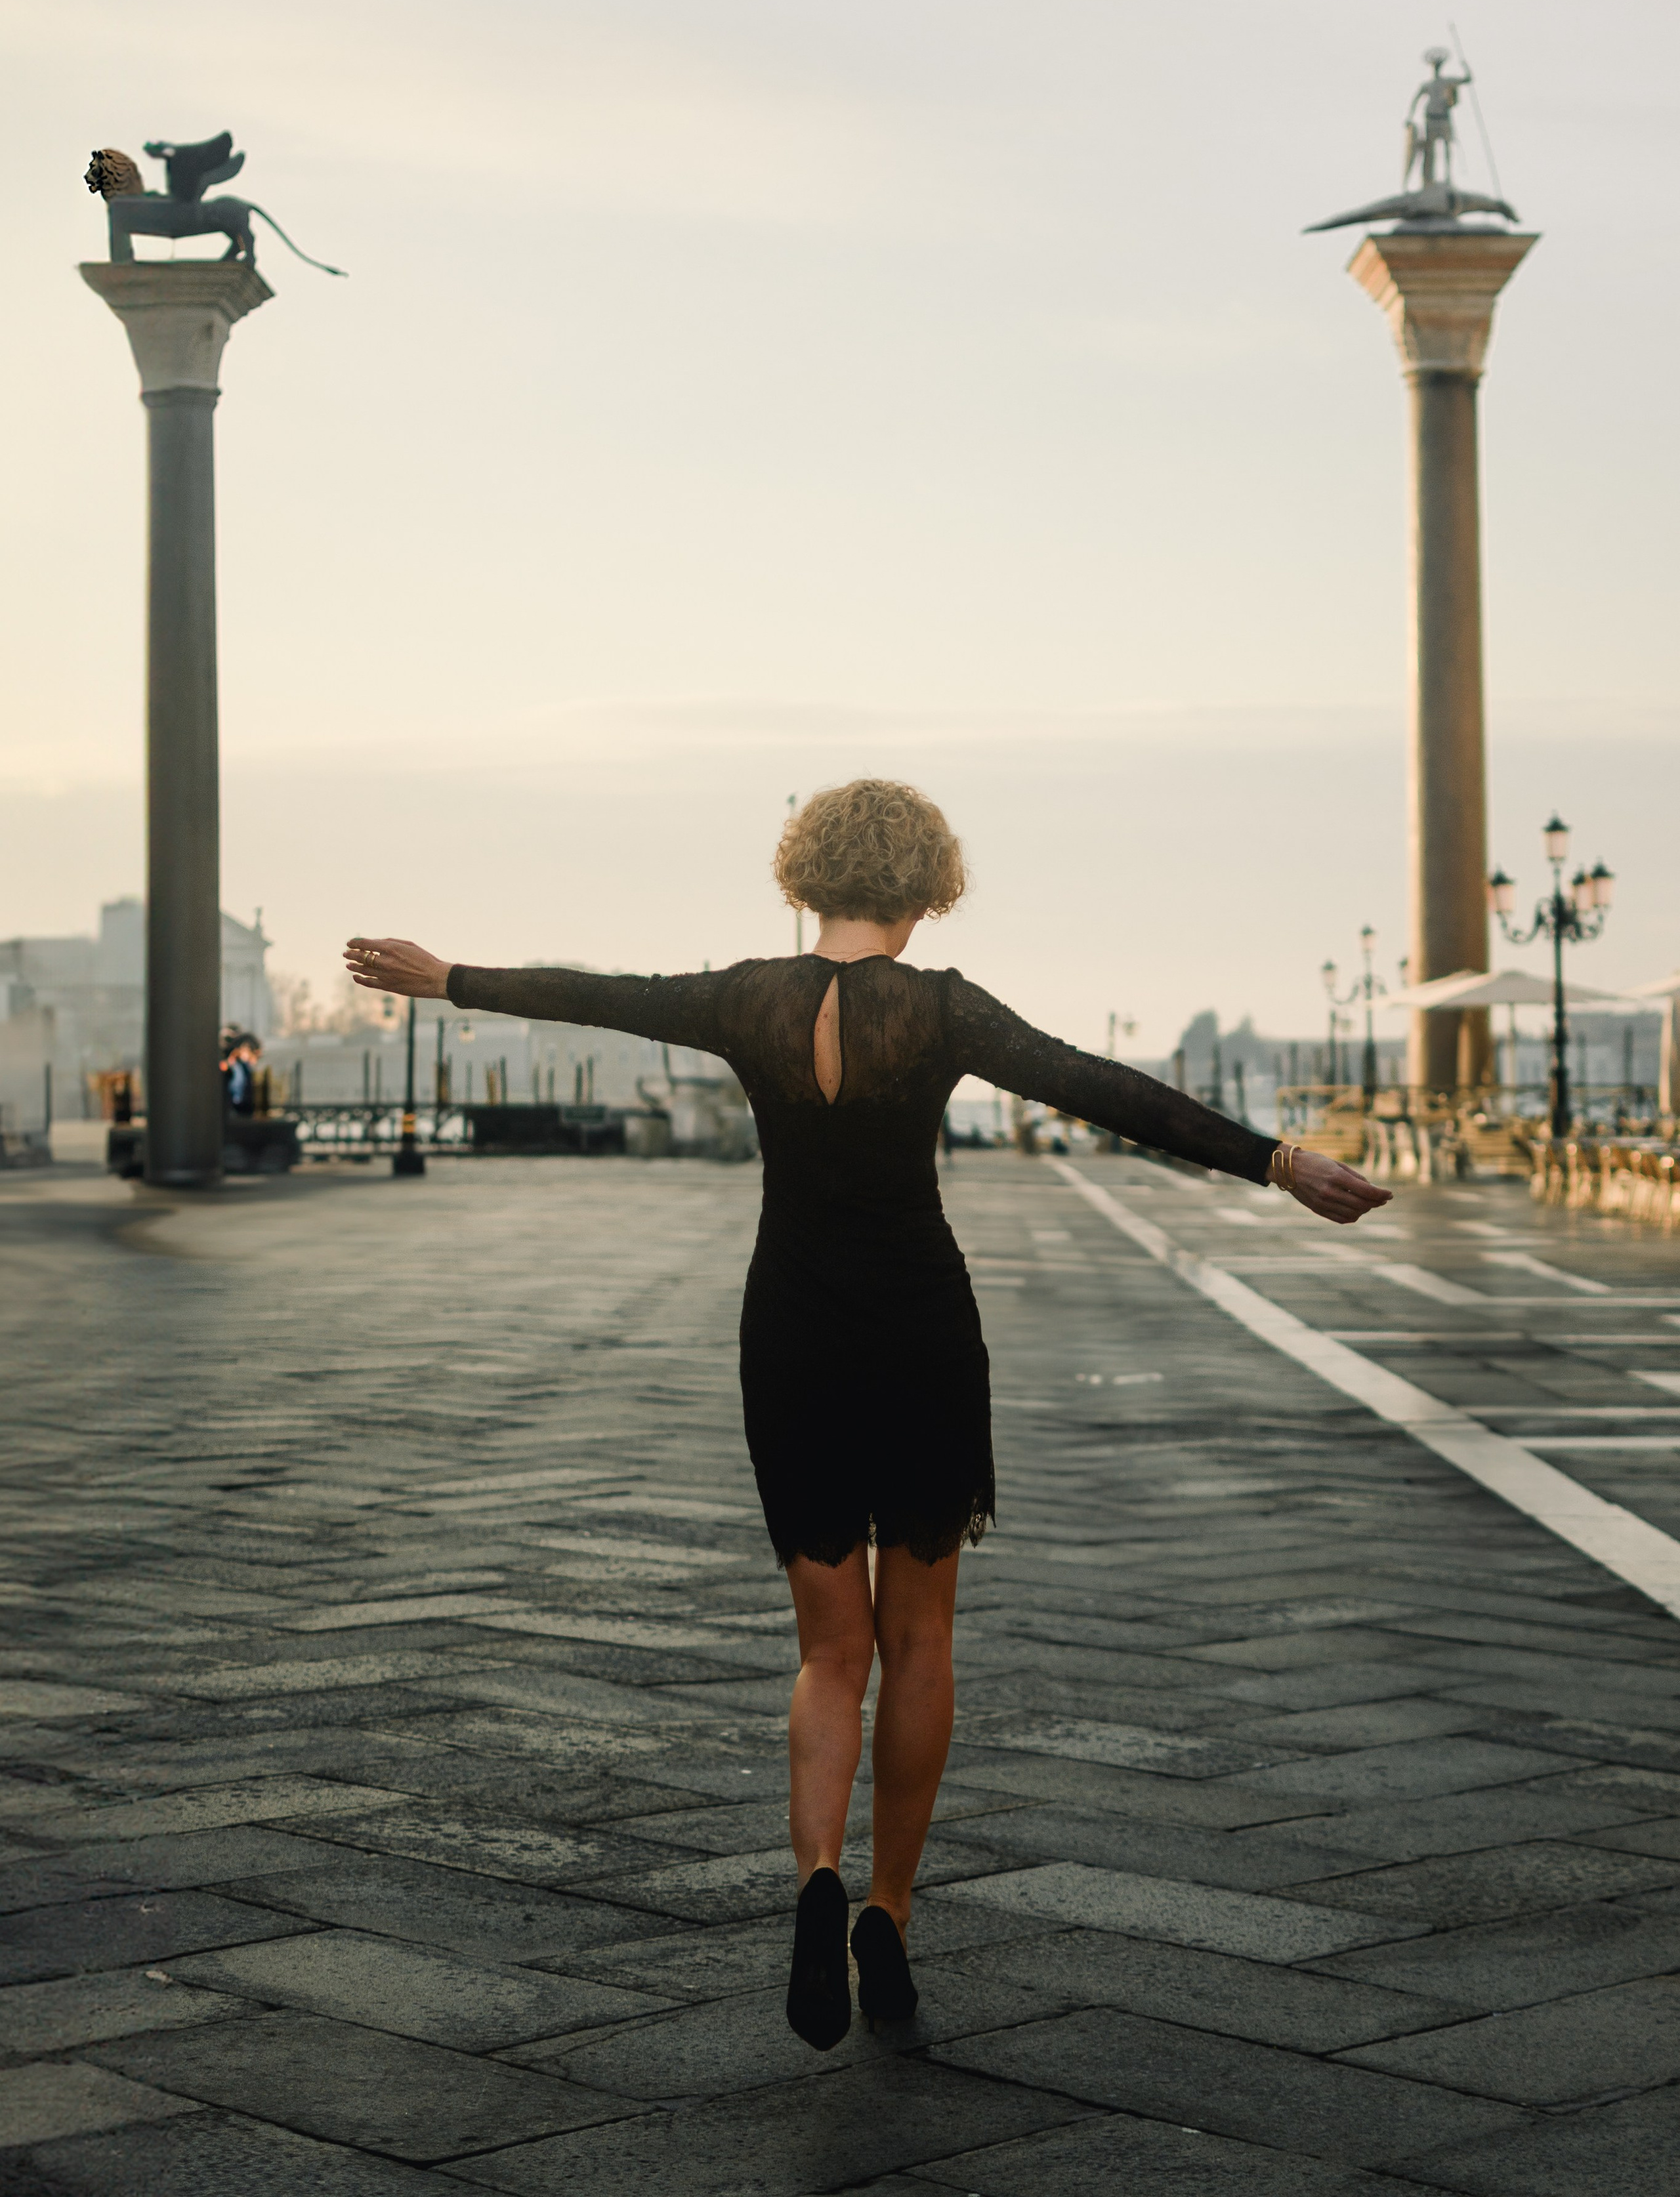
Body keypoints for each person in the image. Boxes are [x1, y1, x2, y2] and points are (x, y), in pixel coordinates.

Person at [345, 778, 1388, 2048]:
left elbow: (594, 993)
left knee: (828, 1650)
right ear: (926, 885)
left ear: (806, 875)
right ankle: (887, 1910)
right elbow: (1104, 1088)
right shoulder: (944, 1009)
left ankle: (815, 1879)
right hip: (921, 1330)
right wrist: (1280, 1164)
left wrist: (449, 976)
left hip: (791, 1326)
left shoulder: (746, 995)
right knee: (922, 1642)